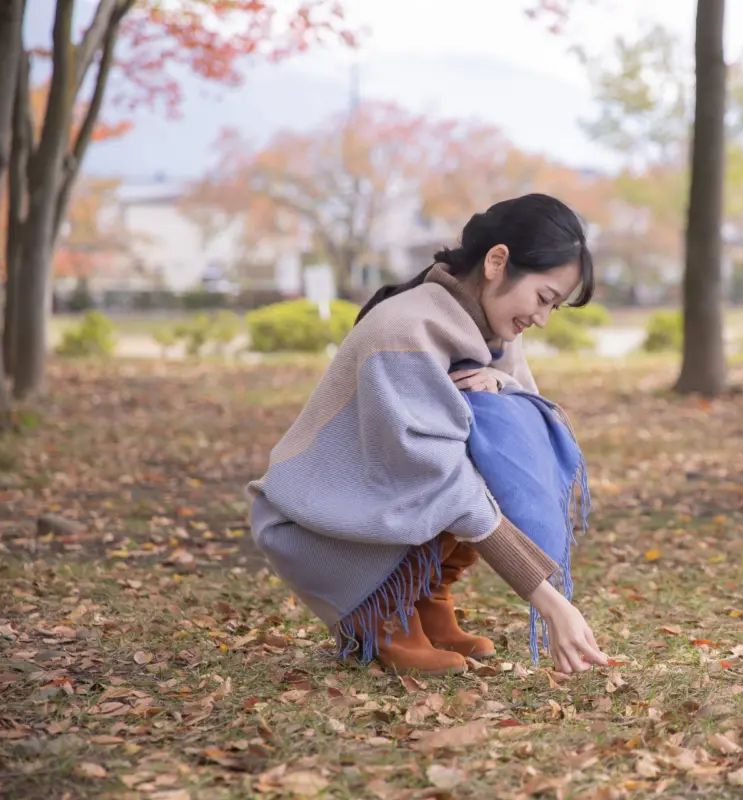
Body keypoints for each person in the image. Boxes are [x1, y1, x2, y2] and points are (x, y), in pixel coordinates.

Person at [247, 194, 609, 676]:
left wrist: (501, 385)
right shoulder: (405, 329)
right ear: (497, 262)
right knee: (464, 468)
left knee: (507, 431)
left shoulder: (493, 331)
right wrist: (550, 600)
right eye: (543, 298)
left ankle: (425, 596)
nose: (541, 319)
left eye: (555, 308)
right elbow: (443, 483)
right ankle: (384, 614)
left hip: (385, 500)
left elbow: (525, 427)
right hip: (317, 520)